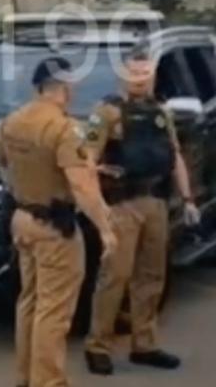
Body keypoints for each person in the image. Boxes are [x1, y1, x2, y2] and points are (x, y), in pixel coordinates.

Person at [0, 57, 116, 387]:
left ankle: (25, 377)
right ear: (64, 88)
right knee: (54, 311)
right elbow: (80, 186)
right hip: (55, 227)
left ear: (38, 88)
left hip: (22, 218)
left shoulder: (12, 121)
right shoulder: (65, 128)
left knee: (29, 302)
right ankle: (49, 382)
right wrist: (105, 229)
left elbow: (3, 164)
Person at [84, 50, 200, 375]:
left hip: (156, 202)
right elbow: (87, 159)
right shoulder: (105, 113)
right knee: (114, 276)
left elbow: (174, 155)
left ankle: (145, 344)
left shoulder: (161, 110)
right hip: (122, 203)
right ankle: (98, 345)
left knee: (152, 276)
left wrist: (188, 199)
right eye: (133, 72)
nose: (139, 78)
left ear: (151, 74)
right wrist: (97, 203)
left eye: (144, 72)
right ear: (123, 75)